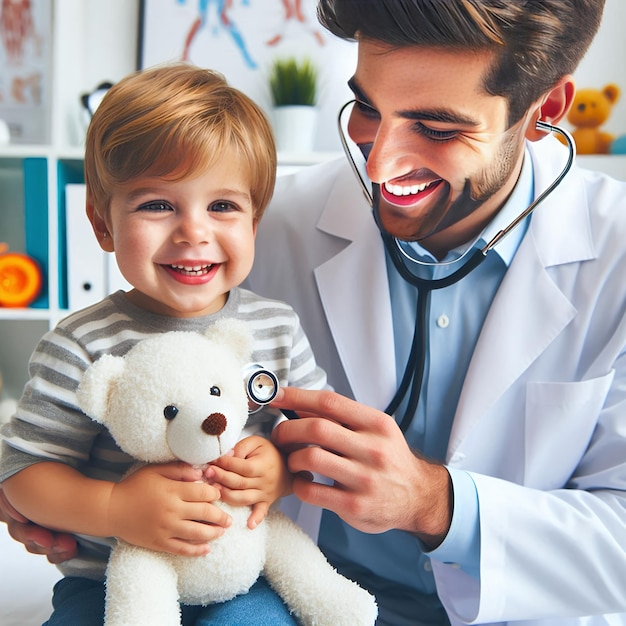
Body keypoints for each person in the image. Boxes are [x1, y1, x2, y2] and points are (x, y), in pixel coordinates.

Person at [2, 2, 626, 625]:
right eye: (368, 109)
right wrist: (67, 501)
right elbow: (55, 447)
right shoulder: (260, 229)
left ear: (543, 109)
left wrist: (438, 505)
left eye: (437, 128)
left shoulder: (615, 253)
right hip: (279, 592)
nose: (379, 165)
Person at [0, 63, 326, 626]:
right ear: (102, 222)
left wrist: (278, 469)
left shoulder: (275, 327)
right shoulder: (81, 344)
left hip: (241, 576)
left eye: (222, 206)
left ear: (254, 219)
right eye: (157, 205)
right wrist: (115, 508)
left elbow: (314, 444)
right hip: (107, 583)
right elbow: (23, 471)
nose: (193, 232)